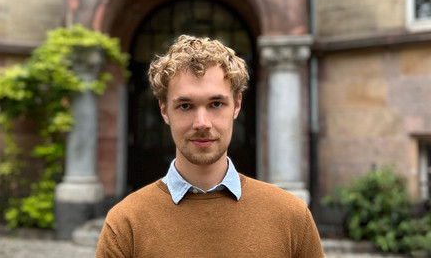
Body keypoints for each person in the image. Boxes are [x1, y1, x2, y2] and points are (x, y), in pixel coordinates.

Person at [95, 35, 325, 257]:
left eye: (216, 104)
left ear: (236, 105)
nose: (202, 123)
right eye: (186, 106)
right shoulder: (125, 224)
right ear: (164, 110)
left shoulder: (291, 216)